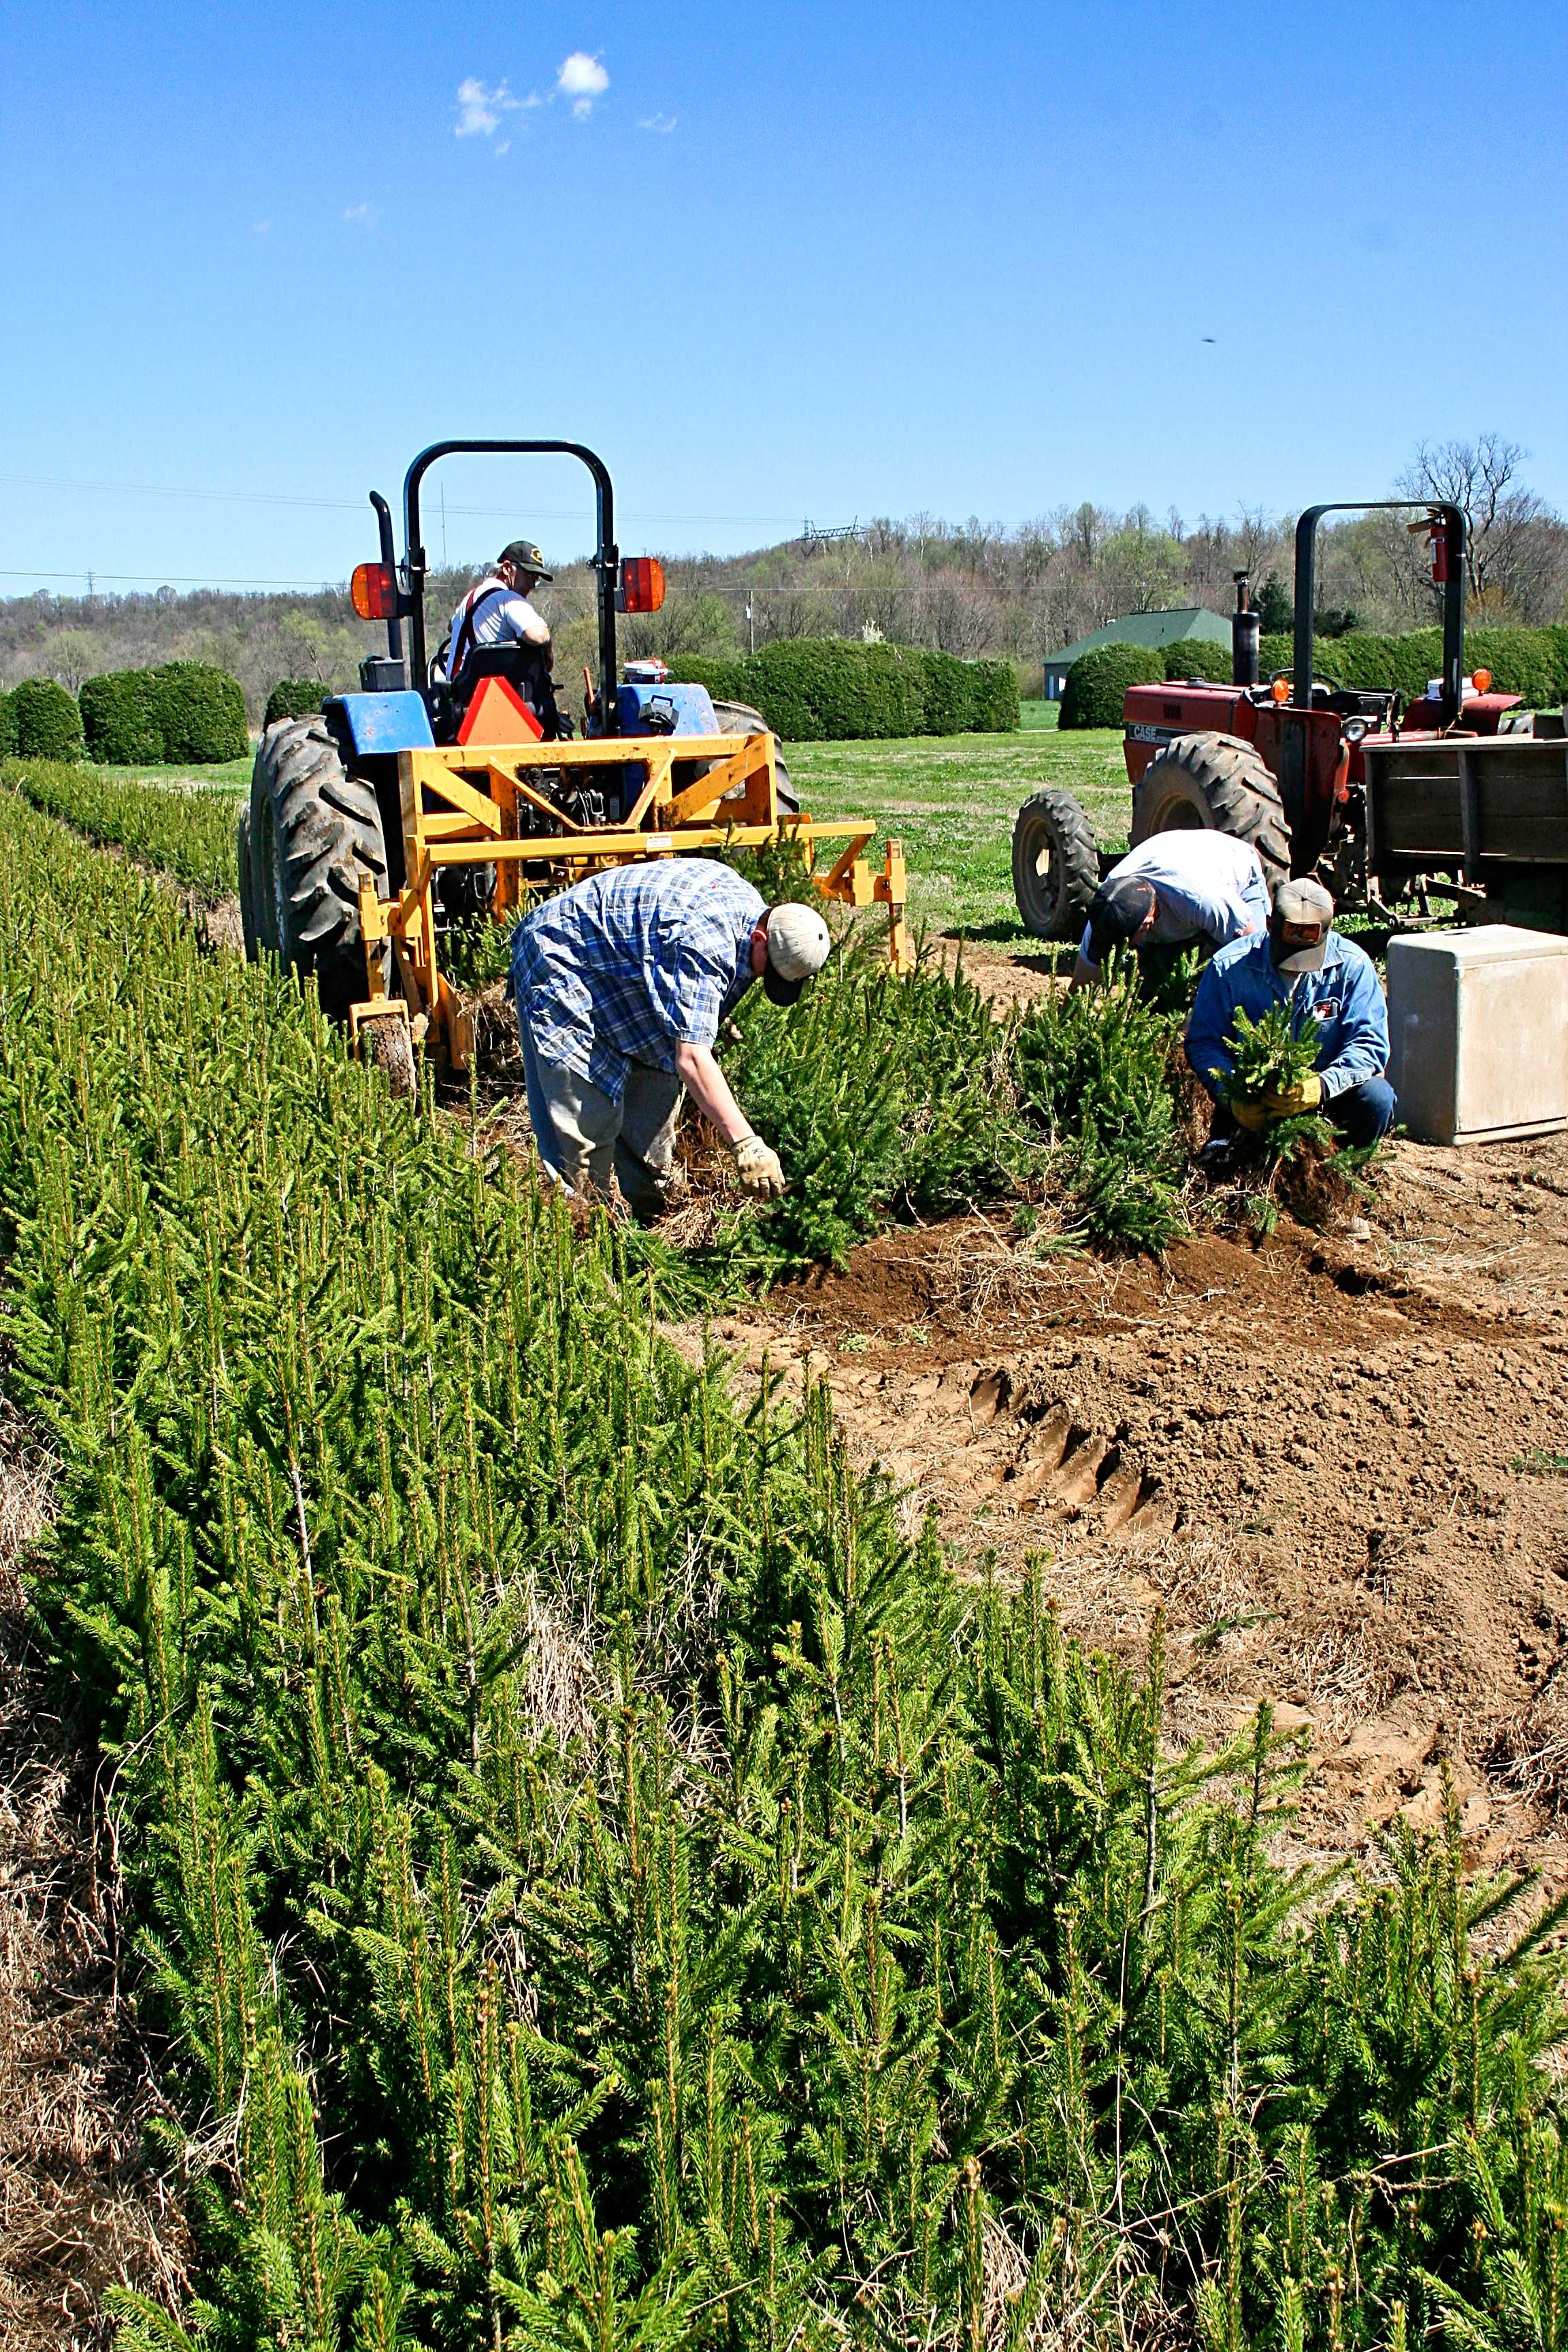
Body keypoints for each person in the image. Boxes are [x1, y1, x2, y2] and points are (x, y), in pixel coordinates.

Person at [510, 860, 832, 1215]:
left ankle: (649, 1224)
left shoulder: (752, 914)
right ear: (761, 937)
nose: (761, 979)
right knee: (585, 1136)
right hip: (563, 959)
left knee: (651, 1129)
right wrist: (746, 1143)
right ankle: (586, 1237)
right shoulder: (706, 944)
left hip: (626, 974)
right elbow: (692, 1059)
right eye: (766, 971)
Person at [1185, 877, 1396, 1147]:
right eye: (1287, 955)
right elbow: (1205, 1042)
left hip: (1326, 1097)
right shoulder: (1229, 968)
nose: (1295, 967)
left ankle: (1340, 1175)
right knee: (1220, 1160)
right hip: (1254, 1101)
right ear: (1270, 926)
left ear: (1326, 933)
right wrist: (1234, 1099)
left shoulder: (1353, 967)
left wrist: (1321, 1086)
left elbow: (1370, 1044)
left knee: (1377, 1098)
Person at [1071, 830, 1273, 990]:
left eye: (1123, 944)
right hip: (1174, 862)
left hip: (1239, 873)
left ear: (1148, 924)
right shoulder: (1111, 902)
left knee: (1252, 978)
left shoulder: (1204, 899)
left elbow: (1256, 949)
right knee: (1158, 984)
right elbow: (1083, 981)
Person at [443, 538, 553, 699]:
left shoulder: (471, 597)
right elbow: (537, 636)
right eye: (529, 575)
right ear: (507, 568)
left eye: (536, 578)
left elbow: (452, 626)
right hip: (490, 697)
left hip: (459, 692)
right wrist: (547, 645)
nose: (532, 584)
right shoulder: (508, 598)